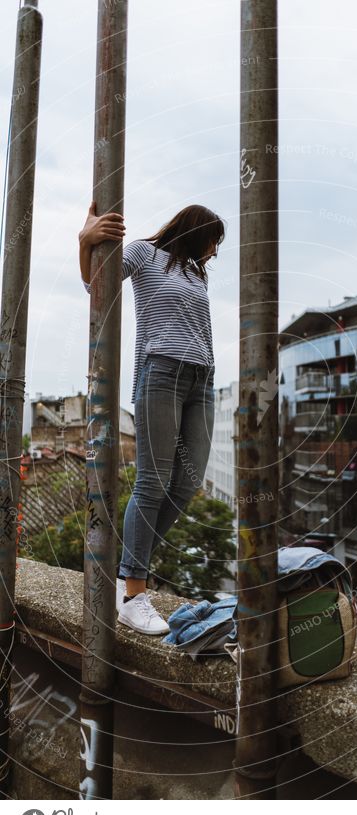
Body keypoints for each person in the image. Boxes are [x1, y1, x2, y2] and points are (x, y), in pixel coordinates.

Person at [79, 202, 225, 635]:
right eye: (213, 240)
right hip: (160, 372)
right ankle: (134, 594)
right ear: (196, 232)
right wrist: (84, 240)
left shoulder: (196, 273)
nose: (215, 251)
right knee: (153, 482)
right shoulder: (144, 253)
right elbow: (95, 284)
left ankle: (129, 569)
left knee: (188, 482)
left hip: (203, 379)